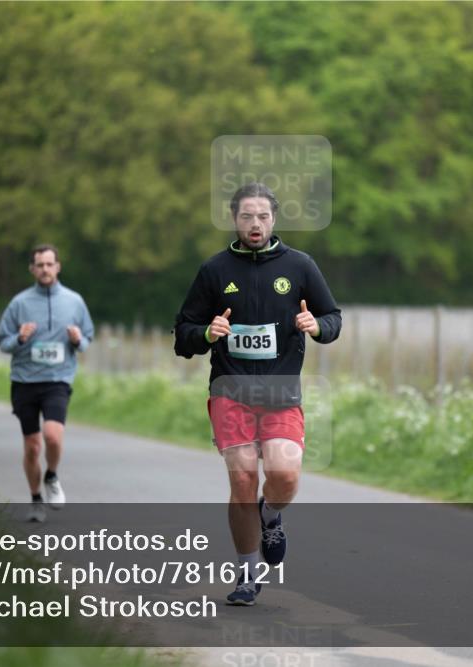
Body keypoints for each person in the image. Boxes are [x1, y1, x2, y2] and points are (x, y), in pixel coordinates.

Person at [174, 182, 342, 606]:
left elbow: (332, 317)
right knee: (243, 478)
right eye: (247, 216)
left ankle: (271, 515)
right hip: (229, 390)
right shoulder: (214, 270)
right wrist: (206, 333)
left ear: (274, 219)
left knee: (285, 475)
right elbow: (183, 334)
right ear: (234, 219)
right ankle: (247, 575)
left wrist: (317, 326)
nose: (255, 224)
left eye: (263, 216)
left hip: (281, 391)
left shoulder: (300, 266)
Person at [0, 244, 95, 522]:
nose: (45, 269)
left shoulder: (74, 301)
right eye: (40, 265)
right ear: (32, 269)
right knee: (32, 446)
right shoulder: (19, 303)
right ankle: (36, 499)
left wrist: (78, 340)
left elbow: (87, 337)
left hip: (57, 380)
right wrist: (20, 338)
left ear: (58, 267)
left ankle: (51, 475)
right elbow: (2, 341)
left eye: (50, 264)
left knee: (52, 436)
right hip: (25, 381)